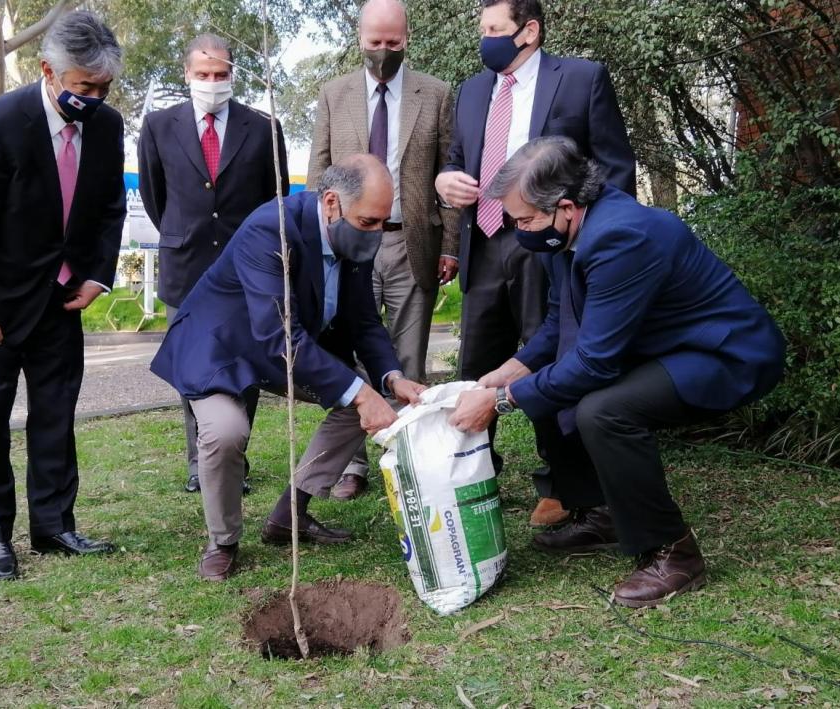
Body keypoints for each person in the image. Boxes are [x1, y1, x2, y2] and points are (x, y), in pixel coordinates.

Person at [449, 136, 785, 607]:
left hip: (726, 354)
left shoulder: (621, 237)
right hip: (664, 345)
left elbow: (595, 362)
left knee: (604, 411)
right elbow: (557, 322)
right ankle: (602, 513)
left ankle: (674, 553)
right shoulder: (564, 232)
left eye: (524, 219)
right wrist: (508, 371)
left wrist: (504, 401)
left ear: (565, 206)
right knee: (545, 383)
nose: (518, 229)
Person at [151, 154, 424, 581]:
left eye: (383, 224)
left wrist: (391, 378)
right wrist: (364, 393)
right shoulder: (270, 230)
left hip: (283, 345)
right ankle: (222, 541)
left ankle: (289, 515)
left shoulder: (352, 233)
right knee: (225, 433)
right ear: (331, 203)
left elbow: (364, 319)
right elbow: (279, 335)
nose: (377, 235)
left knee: (365, 393)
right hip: (223, 349)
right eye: (369, 222)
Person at [435, 0, 636, 527]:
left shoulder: (581, 79)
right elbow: (458, 159)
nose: (485, 40)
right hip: (484, 241)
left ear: (530, 31)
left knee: (552, 357)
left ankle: (566, 486)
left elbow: (614, 166)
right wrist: (445, 180)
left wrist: (592, 244)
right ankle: (474, 473)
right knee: (478, 363)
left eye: (494, 30)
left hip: (551, 244)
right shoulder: (474, 90)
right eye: (481, 30)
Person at [0, 11, 126, 580]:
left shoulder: (108, 126)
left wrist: (98, 275)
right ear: (49, 71)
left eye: (103, 88)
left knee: (55, 417)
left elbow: (108, 209)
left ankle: (54, 525)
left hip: (60, 299)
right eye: (83, 87)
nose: (94, 98)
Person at [306, 0, 460, 501]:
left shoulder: (435, 94)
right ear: (360, 39)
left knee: (407, 352)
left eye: (393, 42)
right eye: (375, 42)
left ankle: (408, 453)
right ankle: (352, 464)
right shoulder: (334, 94)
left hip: (412, 240)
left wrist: (451, 245)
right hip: (350, 242)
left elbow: (449, 174)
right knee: (346, 349)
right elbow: (318, 173)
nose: (383, 51)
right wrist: (318, 243)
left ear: (407, 38)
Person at [138, 33, 290, 495]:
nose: (212, 81)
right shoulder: (159, 127)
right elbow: (154, 197)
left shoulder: (264, 128)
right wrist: (183, 234)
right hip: (186, 270)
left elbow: (275, 202)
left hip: (246, 271)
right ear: (187, 75)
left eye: (221, 74)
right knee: (193, 367)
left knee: (243, 365)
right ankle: (199, 460)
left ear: (233, 75)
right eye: (203, 75)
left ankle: (234, 460)